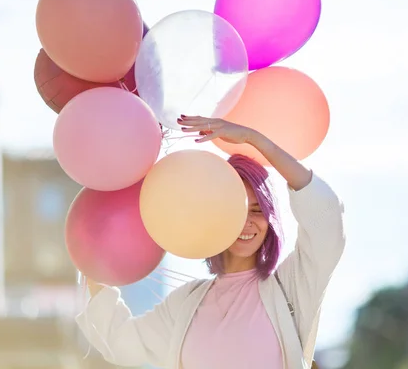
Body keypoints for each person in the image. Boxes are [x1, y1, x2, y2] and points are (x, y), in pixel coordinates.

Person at [77, 115, 346, 369]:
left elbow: (326, 217)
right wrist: (94, 268)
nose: (247, 221)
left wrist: (253, 138)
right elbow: (121, 342)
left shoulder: (290, 287)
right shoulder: (187, 303)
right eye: (236, 208)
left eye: (257, 210)